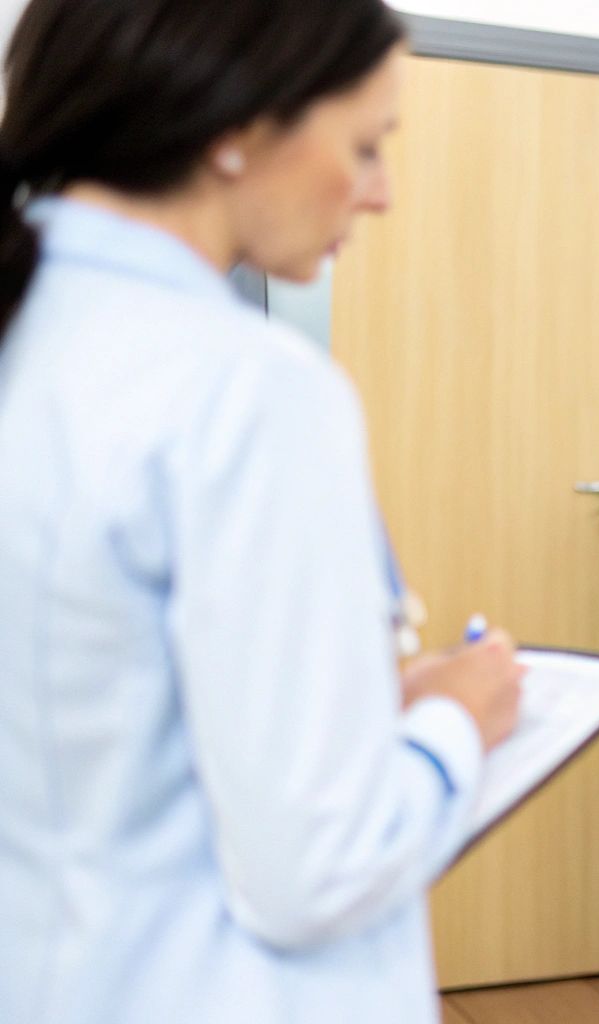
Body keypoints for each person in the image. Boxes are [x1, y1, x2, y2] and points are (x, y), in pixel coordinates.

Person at [0, 2, 523, 1021]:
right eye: (366, 144)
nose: (381, 193)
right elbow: (318, 870)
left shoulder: (32, 337)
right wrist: (456, 720)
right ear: (236, 129)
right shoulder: (249, 389)